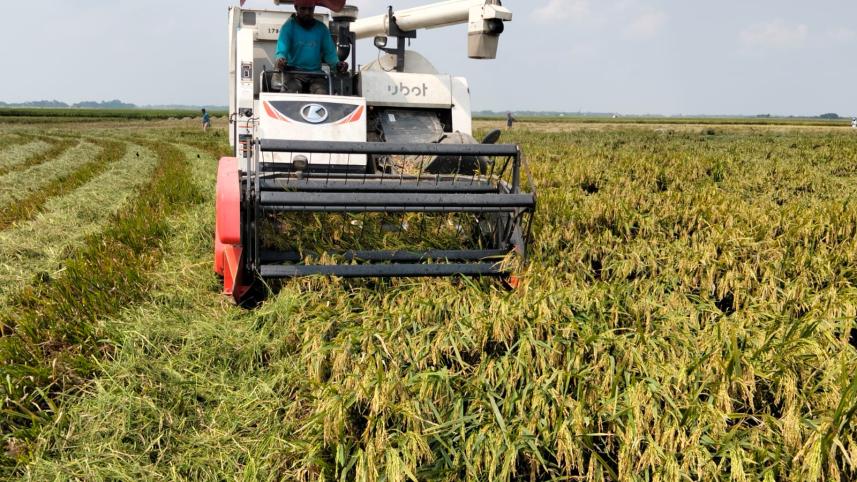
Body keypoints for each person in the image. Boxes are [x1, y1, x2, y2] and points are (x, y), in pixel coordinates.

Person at [275, 0, 348, 95]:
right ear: (296, 8)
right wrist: (280, 60)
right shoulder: (288, 28)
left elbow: (330, 54)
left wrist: (338, 65)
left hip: (316, 74)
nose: (307, 12)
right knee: (291, 92)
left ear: (314, 8)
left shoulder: (322, 29)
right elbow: (281, 51)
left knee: (322, 93)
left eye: (310, 9)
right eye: (303, 9)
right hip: (294, 73)